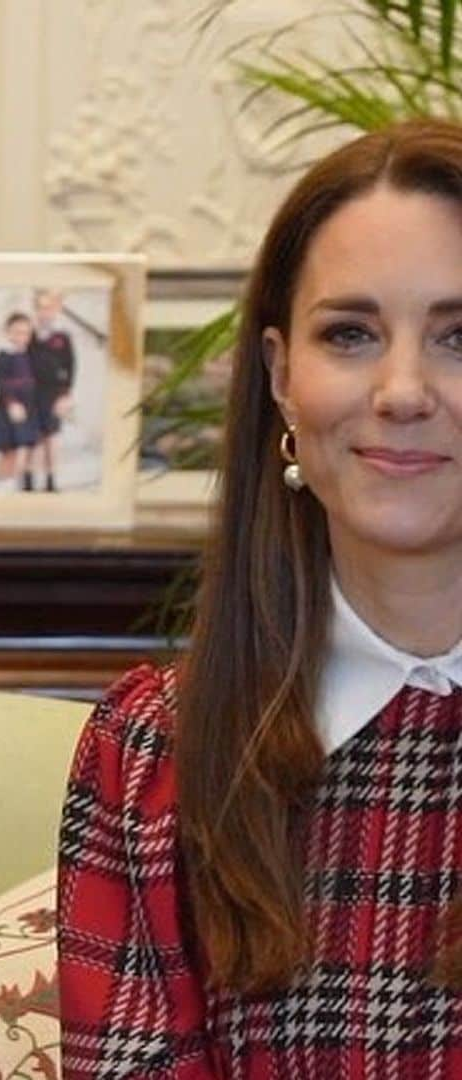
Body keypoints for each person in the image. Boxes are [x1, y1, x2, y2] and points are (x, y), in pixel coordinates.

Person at [58, 117, 462, 1078]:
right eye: (351, 334)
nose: (403, 390)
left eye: (460, 336)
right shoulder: (150, 754)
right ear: (281, 375)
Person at [28, 289, 76, 492]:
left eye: (48, 308)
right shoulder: (30, 335)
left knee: (51, 438)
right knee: (33, 438)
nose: (44, 312)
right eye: (40, 308)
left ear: (55, 310)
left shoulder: (62, 337)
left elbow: (71, 367)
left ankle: (50, 479)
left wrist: (65, 395)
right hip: (32, 393)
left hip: (53, 394)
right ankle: (28, 478)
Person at [0, 311, 40, 492]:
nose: (21, 337)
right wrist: (12, 404)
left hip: (29, 408)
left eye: (26, 333)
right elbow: (1, 383)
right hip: (8, 410)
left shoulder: (30, 356)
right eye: (17, 332)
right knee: (9, 451)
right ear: (8, 332)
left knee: (23, 449)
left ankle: (15, 486)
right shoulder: (3, 356)